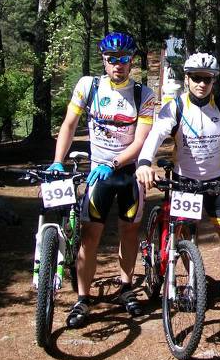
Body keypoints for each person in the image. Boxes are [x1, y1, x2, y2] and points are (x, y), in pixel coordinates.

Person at [47, 32, 155, 328]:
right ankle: (83, 299)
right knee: (89, 235)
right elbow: (69, 124)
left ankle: (125, 287)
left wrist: (114, 162)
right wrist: (58, 160)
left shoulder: (143, 95)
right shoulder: (88, 86)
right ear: (104, 60)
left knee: (129, 233)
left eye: (124, 59)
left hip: (127, 172)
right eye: (112, 59)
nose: (118, 64)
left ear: (132, 61)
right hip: (98, 173)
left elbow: (142, 140)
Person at [135, 52, 220, 304]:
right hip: (184, 183)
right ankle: (191, 276)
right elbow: (155, 135)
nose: (201, 84)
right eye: (196, 78)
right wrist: (143, 163)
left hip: (216, 181)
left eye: (207, 79)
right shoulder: (175, 106)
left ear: (214, 81)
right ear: (187, 79)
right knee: (183, 235)